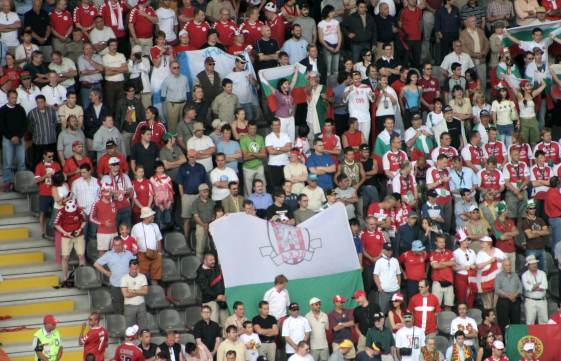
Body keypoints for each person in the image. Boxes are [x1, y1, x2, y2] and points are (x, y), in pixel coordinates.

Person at [93, 238, 134, 314]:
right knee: (118, 308)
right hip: (116, 285)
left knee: (131, 308)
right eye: (115, 245)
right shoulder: (109, 254)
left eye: (119, 245)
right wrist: (106, 272)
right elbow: (96, 264)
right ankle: (120, 324)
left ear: (122, 245)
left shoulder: (129, 253)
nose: (117, 247)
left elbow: (135, 265)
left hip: (129, 285)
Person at [54, 198, 86, 285]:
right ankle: (65, 278)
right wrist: (65, 233)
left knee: (81, 256)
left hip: (78, 235)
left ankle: (82, 278)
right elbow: (56, 224)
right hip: (66, 236)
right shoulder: (61, 211)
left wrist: (79, 229)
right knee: (65, 257)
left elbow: (84, 221)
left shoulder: (79, 210)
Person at [0, 89, 27, 191]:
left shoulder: (20, 109)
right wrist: (11, 137)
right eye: (12, 98)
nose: (14, 100)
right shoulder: (2, 110)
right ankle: (8, 183)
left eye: (15, 98)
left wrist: (18, 137)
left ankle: (22, 183)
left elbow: (25, 124)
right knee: (7, 163)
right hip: (7, 139)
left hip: (20, 138)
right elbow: (1, 127)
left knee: (21, 162)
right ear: (7, 98)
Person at [131, 207, 163, 285]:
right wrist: (135, 255)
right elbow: (133, 242)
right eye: (151, 215)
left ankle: (155, 294)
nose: (153, 216)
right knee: (142, 277)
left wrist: (159, 253)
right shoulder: (136, 227)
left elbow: (158, 240)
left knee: (155, 277)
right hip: (142, 254)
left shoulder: (155, 225)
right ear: (146, 217)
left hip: (155, 254)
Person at [196, 252, 228, 325]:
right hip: (210, 302)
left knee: (226, 324)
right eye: (210, 260)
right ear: (204, 261)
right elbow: (205, 289)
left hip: (222, 301)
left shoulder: (216, 268)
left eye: (213, 259)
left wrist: (221, 296)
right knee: (213, 324)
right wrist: (216, 296)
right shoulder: (200, 273)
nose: (213, 261)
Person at [374, 243, 401, 314]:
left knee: (396, 311)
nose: (389, 252)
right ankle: (383, 325)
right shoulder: (379, 261)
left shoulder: (395, 260)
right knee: (382, 311)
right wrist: (379, 287)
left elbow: (398, 274)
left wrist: (398, 285)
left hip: (395, 290)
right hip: (384, 291)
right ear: (383, 250)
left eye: (390, 250)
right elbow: (375, 275)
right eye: (387, 250)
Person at [121, 258, 148, 327]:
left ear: (138, 267)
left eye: (136, 269)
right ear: (129, 267)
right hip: (129, 305)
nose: (134, 271)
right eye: (132, 269)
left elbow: (145, 291)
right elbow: (125, 294)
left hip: (141, 304)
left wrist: (133, 291)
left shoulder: (142, 276)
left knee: (143, 326)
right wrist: (139, 291)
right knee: (130, 328)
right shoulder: (124, 278)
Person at [522, 254, 548, 325]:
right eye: (532, 264)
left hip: (542, 300)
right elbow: (527, 288)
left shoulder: (542, 273)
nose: (535, 265)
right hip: (530, 301)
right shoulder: (524, 275)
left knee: (544, 322)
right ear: (528, 265)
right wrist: (537, 286)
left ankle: (544, 336)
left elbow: (545, 286)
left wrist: (533, 287)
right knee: (530, 322)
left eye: (535, 263)